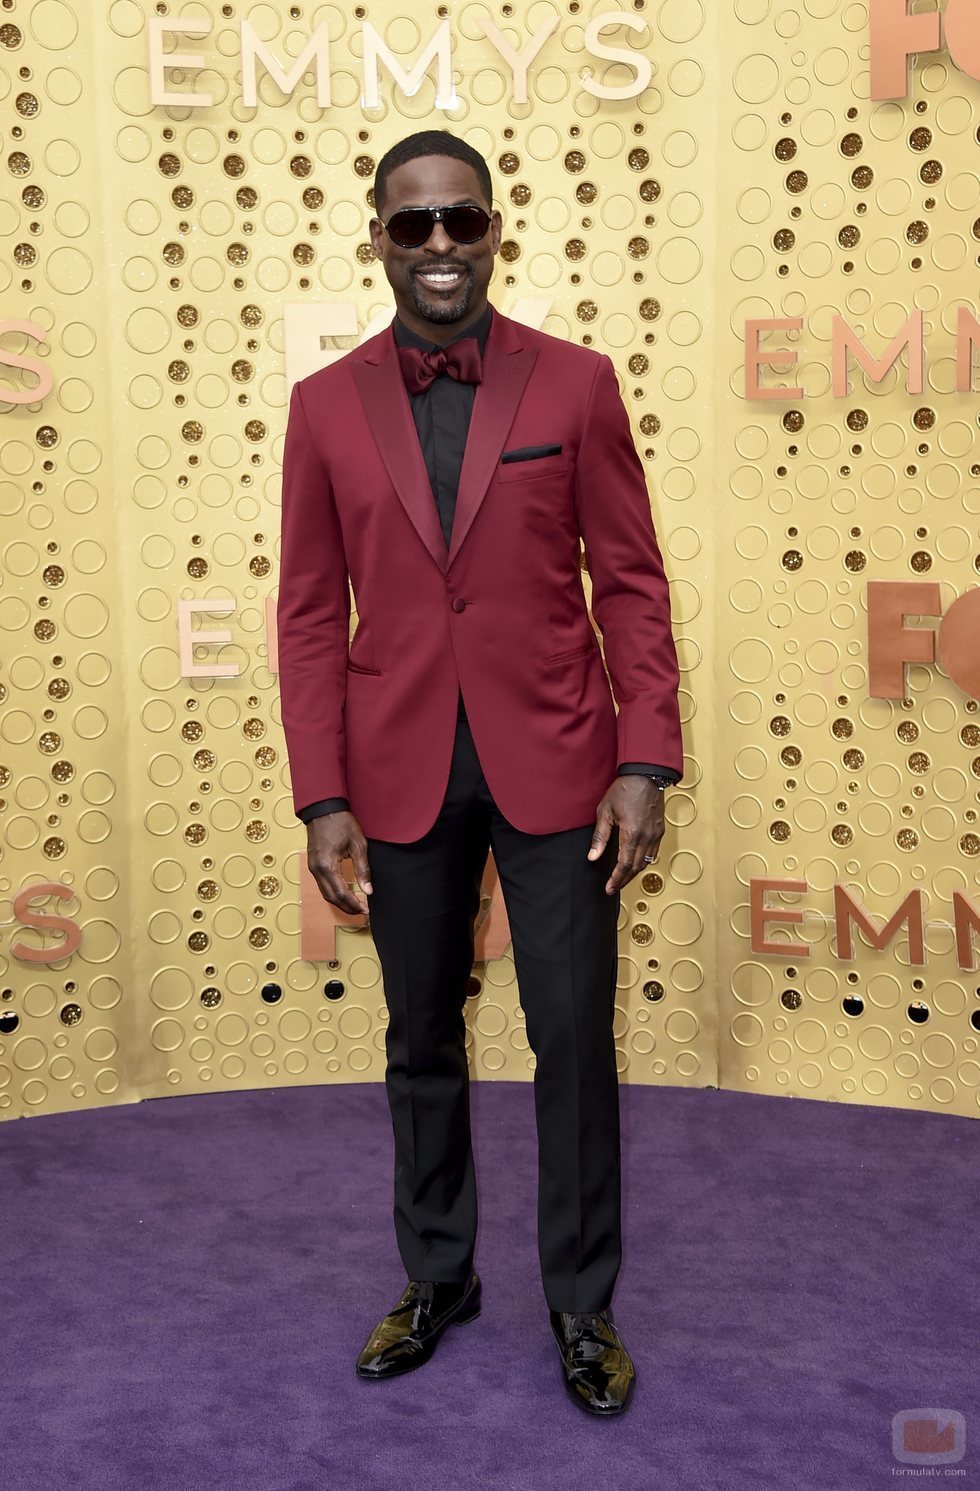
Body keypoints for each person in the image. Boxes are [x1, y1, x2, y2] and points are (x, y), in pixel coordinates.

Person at [277, 128, 683, 1417]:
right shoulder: (323, 406)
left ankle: (582, 1305)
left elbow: (628, 578)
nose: (440, 246)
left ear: (496, 228)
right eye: (415, 225)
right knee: (419, 1040)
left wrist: (644, 758)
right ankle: (437, 1279)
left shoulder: (573, 385)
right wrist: (322, 794)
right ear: (378, 237)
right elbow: (304, 611)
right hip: (396, 774)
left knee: (572, 1041)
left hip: (561, 762)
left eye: (463, 221)